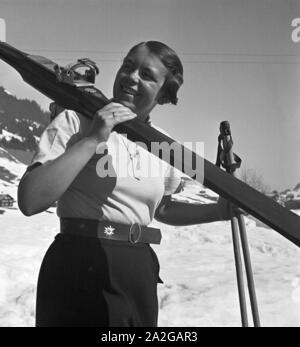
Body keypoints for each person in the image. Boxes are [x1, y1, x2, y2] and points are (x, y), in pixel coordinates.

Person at [18, 41, 229, 327]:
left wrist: (218, 211)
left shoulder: (165, 145)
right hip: (78, 262)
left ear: (164, 93)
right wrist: (94, 139)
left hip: (138, 269)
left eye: (146, 74)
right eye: (128, 66)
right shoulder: (76, 119)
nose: (131, 77)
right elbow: (31, 199)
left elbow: (162, 208)